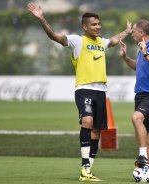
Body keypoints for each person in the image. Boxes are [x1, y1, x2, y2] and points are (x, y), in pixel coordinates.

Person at [27, 2, 132, 182]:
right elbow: (54, 36)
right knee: (87, 121)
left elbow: (114, 40)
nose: (98, 27)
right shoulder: (77, 40)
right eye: (94, 24)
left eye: (99, 24)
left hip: (101, 92)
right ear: (85, 27)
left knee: (97, 132)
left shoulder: (101, 42)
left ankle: (87, 171)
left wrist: (127, 32)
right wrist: (42, 19)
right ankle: (84, 167)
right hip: (84, 89)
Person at [119, 19, 149, 182]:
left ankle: (142, 157)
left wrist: (146, 53)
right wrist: (125, 58)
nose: (132, 34)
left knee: (136, 118)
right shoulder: (141, 49)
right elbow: (138, 66)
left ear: (142, 33)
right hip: (140, 96)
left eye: (134, 32)